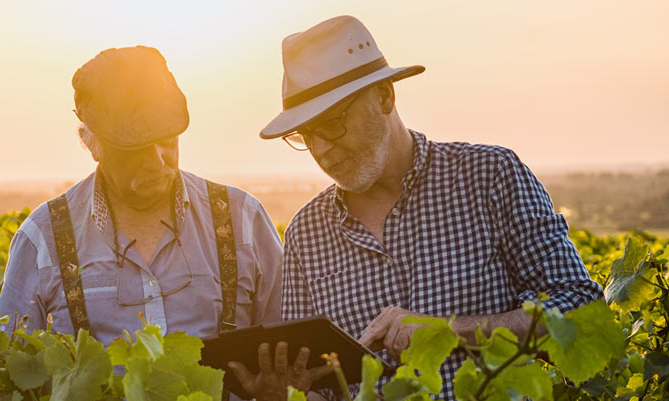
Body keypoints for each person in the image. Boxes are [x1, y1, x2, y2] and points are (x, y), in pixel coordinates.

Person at [232, 15, 603, 400]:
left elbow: (580, 307)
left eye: (331, 122)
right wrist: (284, 394)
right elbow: (321, 390)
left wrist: (447, 331)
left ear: (384, 96)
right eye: (306, 134)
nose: (321, 148)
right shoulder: (305, 232)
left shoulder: (490, 176)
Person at [0, 46, 282, 348]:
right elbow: (14, 369)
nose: (158, 160)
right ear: (92, 145)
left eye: (166, 140)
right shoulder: (43, 239)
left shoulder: (244, 220)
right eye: (136, 149)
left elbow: (290, 348)